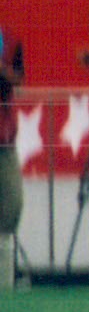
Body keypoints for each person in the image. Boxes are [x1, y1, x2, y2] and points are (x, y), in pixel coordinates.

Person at [0, 20, 21, 289]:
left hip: (3, 140)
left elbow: (19, 77)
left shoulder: (8, 39)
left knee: (12, 205)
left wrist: (4, 72)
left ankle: (4, 287)